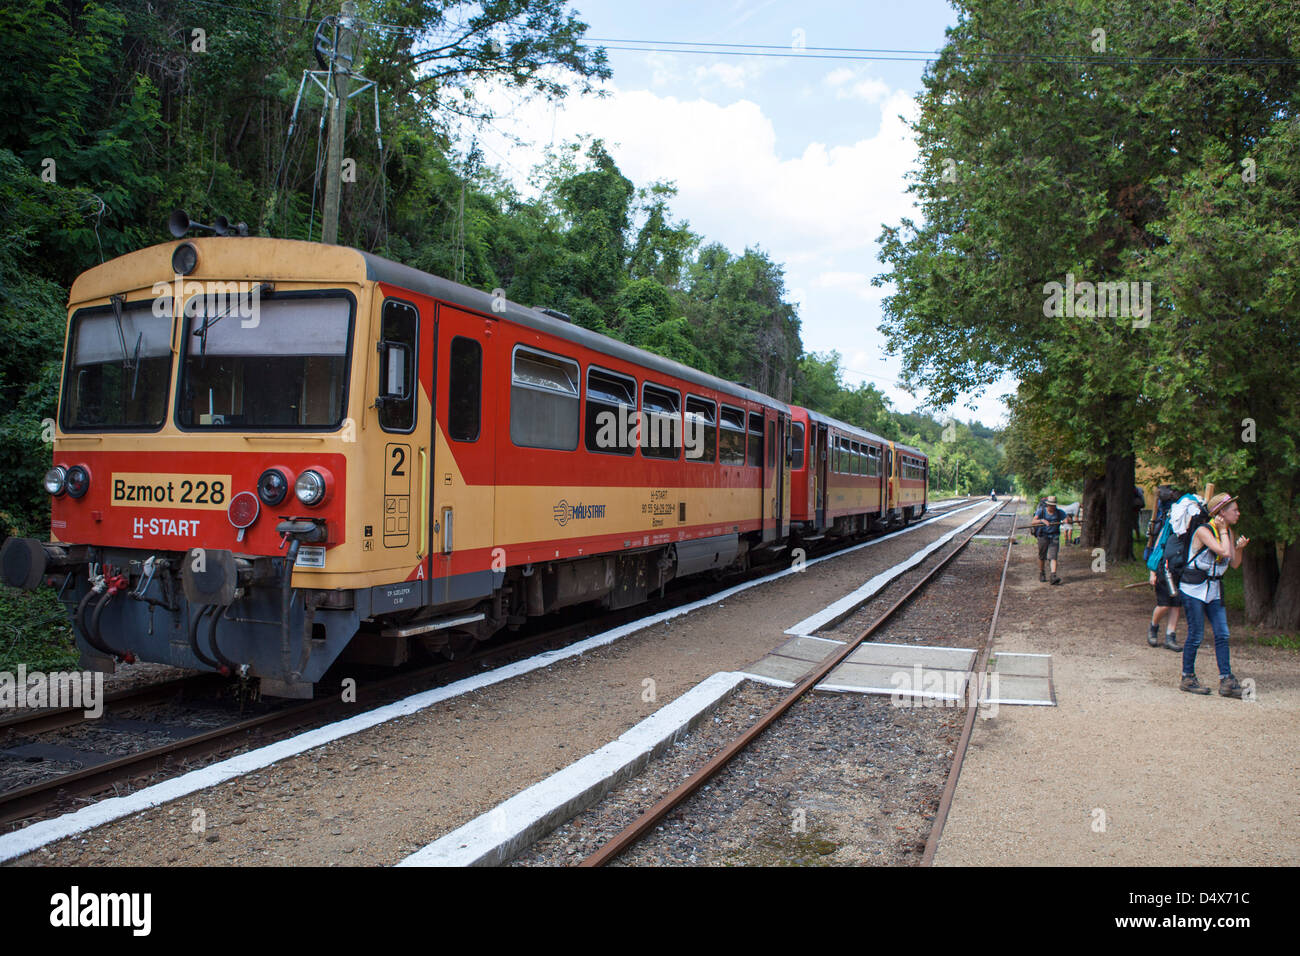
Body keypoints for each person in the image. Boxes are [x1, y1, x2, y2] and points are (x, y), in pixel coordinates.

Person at [1179, 492, 1250, 698]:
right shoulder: (1204, 531)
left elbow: (1234, 563)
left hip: (1214, 590)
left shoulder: (1229, 533)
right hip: (1193, 589)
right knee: (1196, 634)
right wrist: (1223, 532)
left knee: (1222, 634)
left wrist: (1240, 549)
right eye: (1234, 510)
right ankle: (1187, 677)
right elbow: (1223, 552)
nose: (1238, 513)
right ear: (1221, 512)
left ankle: (1226, 680)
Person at [1030, 495, 1069, 584]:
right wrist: (1042, 521)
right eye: (1050, 505)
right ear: (1047, 505)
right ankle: (1042, 573)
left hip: (1054, 536)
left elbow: (1067, 518)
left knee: (1053, 556)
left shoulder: (1059, 512)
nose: (1052, 507)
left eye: (1054, 505)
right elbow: (1033, 522)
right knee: (1042, 556)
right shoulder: (1041, 511)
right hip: (1043, 536)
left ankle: (1053, 575)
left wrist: (1067, 520)